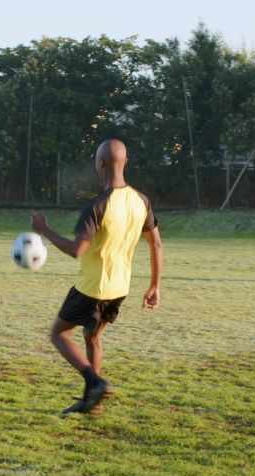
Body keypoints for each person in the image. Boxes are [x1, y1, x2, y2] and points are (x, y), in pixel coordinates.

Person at [30, 138, 163, 415]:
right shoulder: (141, 201)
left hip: (92, 288)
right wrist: (154, 286)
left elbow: (77, 250)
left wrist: (45, 229)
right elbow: (156, 244)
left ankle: (94, 381)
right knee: (93, 338)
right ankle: (91, 399)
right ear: (125, 162)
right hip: (119, 289)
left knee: (58, 334)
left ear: (99, 164)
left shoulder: (98, 205)